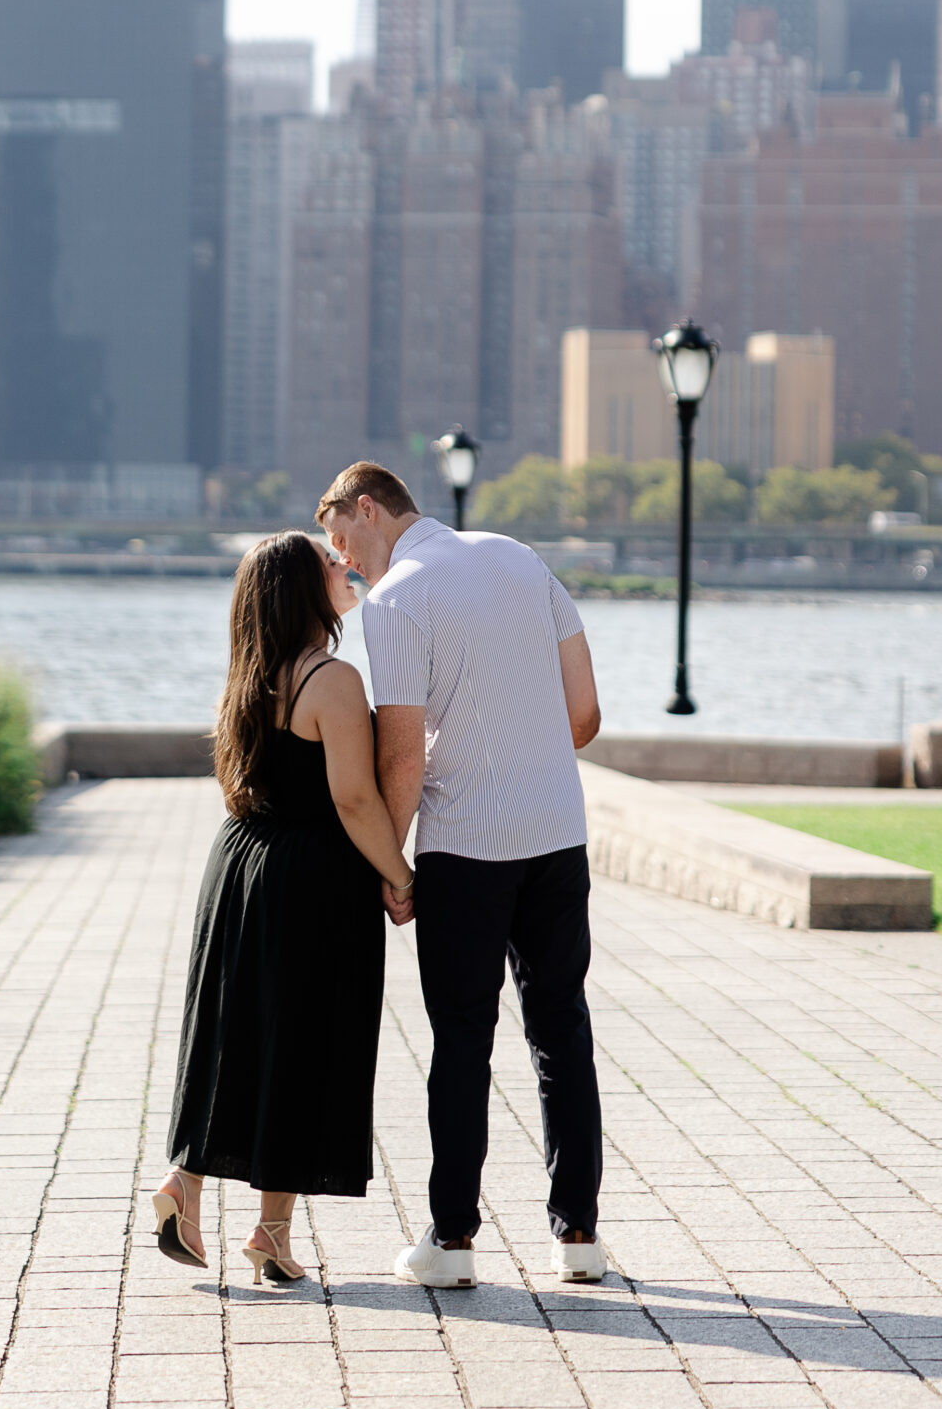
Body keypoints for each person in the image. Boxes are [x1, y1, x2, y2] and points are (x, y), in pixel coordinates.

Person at [317, 459, 607, 1290]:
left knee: (461, 1044)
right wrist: (525, 753)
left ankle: (450, 1241)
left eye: (344, 544)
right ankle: (578, 1234)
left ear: (368, 509)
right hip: (556, 834)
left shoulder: (400, 595)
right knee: (561, 1031)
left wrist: (390, 864)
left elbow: (401, 755)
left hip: (464, 852)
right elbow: (583, 715)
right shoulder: (520, 557)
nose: (347, 566)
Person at [154, 531, 414, 1284]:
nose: (345, 568)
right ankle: (265, 1229)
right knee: (302, 1044)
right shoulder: (331, 679)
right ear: (304, 588)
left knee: (230, 1035)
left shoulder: (247, 676)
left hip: (239, 863)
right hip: (310, 877)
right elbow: (354, 796)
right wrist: (400, 876)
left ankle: (195, 1191)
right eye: (329, 564)